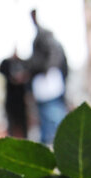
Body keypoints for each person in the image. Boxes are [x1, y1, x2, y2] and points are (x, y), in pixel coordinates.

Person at [26, 9, 69, 144]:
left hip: (48, 80)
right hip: (42, 80)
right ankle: (47, 139)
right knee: (45, 113)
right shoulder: (41, 36)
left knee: (53, 111)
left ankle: (62, 139)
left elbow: (53, 55)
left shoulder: (45, 36)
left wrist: (46, 69)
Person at [0, 50, 29, 138]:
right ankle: (11, 137)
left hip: (21, 99)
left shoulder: (24, 63)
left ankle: (24, 138)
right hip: (11, 98)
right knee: (11, 120)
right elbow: (1, 70)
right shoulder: (7, 63)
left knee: (22, 121)